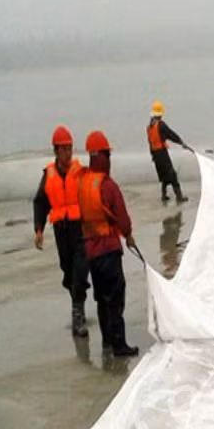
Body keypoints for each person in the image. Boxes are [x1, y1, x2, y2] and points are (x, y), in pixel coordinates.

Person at [78, 130, 139, 357]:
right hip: (109, 251)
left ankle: (106, 342)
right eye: (108, 155)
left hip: (91, 254)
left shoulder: (83, 184)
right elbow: (121, 215)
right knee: (115, 298)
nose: (110, 160)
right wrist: (128, 234)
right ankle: (119, 344)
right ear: (101, 156)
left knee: (101, 299)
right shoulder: (107, 185)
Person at [33, 125, 90, 337]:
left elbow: (91, 196)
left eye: (70, 148)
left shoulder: (80, 172)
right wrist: (39, 230)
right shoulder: (48, 174)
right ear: (56, 151)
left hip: (80, 229)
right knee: (68, 272)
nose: (68, 153)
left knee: (80, 271)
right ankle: (77, 303)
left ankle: (78, 314)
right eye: (64, 149)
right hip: (61, 230)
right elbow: (40, 202)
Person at [146, 100, 190, 204]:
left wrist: (153, 156)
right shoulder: (161, 125)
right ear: (160, 114)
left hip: (155, 155)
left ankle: (164, 195)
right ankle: (179, 197)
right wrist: (181, 142)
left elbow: (150, 143)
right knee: (172, 175)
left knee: (164, 175)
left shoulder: (149, 127)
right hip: (162, 153)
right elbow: (171, 135)